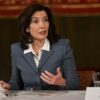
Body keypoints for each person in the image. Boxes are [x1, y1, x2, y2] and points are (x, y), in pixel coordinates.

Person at [0, 4, 80, 90]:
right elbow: (15, 82)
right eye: (36, 21)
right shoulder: (16, 49)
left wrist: (62, 82)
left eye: (45, 20)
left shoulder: (62, 46)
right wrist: (8, 86)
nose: (42, 25)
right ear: (27, 28)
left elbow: (75, 84)